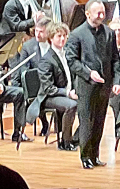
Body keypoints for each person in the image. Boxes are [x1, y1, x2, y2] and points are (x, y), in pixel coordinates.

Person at [65, 0, 120, 169]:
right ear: (87, 13)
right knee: (87, 121)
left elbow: (115, 60)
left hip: (104, 85)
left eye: (103, 12)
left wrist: (116, 81)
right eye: (97, 12)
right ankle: (85, 156)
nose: (101, 15)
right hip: (86, 85)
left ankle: (95, 154)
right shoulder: (77, 34)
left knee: (100, 121)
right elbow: (72, 61)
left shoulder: (109, 33)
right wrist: (89, 73)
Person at [31, 21, 79, 151]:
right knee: (72, 105)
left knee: (89, 103)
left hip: (66, 92)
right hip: (49, 97)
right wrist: (68, 93)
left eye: (64, 35)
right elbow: (48, 88)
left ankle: (77, 138)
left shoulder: (67, 54)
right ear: (51, 38)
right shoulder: (46, 60)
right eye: (59, 36)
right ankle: (65, 142)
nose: (63, 39)